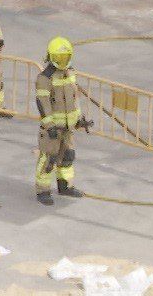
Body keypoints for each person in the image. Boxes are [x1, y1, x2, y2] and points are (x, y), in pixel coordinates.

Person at [34, 36, 91, 205]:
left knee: (67, 156)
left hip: (68, 127)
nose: (63, 62)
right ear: (51, 57)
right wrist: (49, 125)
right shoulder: (45, 78)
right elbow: (43, 104)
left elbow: (74, 99)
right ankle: (43, 190)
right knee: (49, 159)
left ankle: (65, 185)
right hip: (52, 129)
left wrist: (79, 119)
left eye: (65, 58)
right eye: (59, 58)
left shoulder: (70, 74)